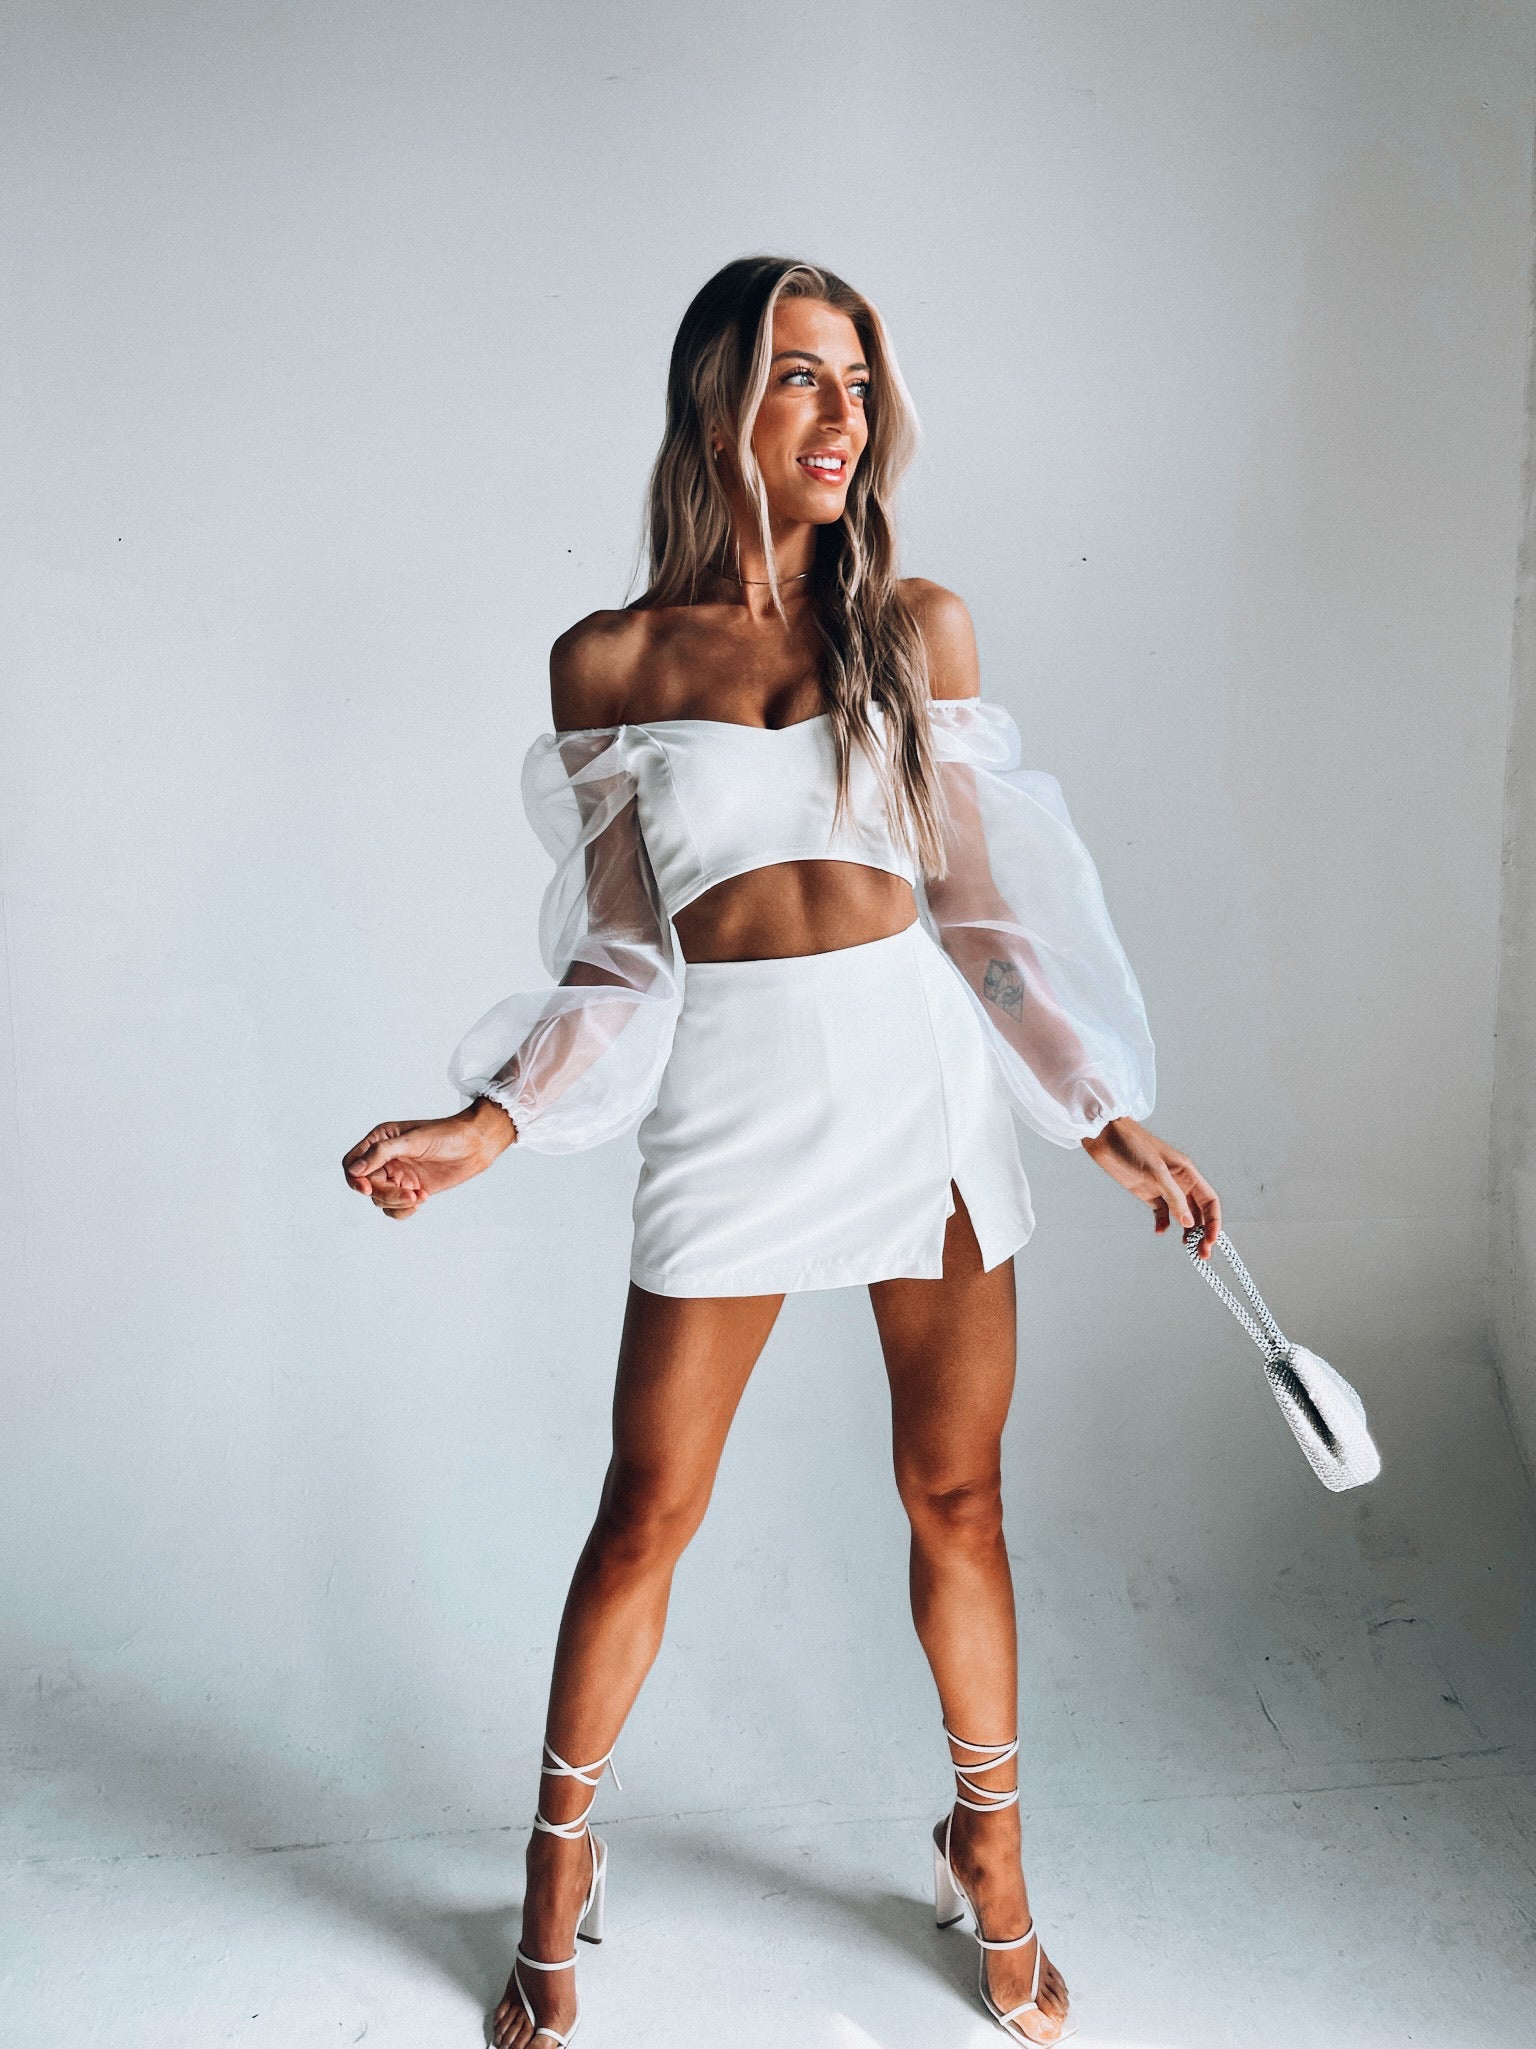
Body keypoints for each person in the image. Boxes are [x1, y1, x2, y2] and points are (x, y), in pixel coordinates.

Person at [342, 256, 1221, 2049]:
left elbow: (983, 928)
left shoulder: (917, 625)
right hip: (732, 1109)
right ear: (718, 400)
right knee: (645, 1510)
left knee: (957, 1498)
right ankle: (555, 1859)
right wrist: (487, 1123)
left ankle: (990, 1841)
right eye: (803, 376)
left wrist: (1098, 1110)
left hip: (921, 1098)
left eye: (860, 380)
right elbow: (621, 963)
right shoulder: (612, 661)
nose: (844, 414)